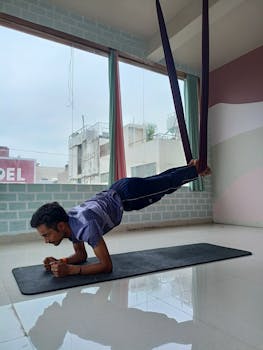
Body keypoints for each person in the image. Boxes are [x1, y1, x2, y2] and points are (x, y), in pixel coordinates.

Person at [30, 159, 211, 277]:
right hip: (120, 189)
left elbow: (106, 266)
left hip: (129, 195)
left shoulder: (86, 227)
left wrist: (71, 270)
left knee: (165, 184)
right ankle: (191, 167)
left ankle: (197, 170)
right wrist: (60, 262)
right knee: (162, 181)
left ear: (60, 226)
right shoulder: (70, 224)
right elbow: (81, 255)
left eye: (46, 235)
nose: (46, 241)